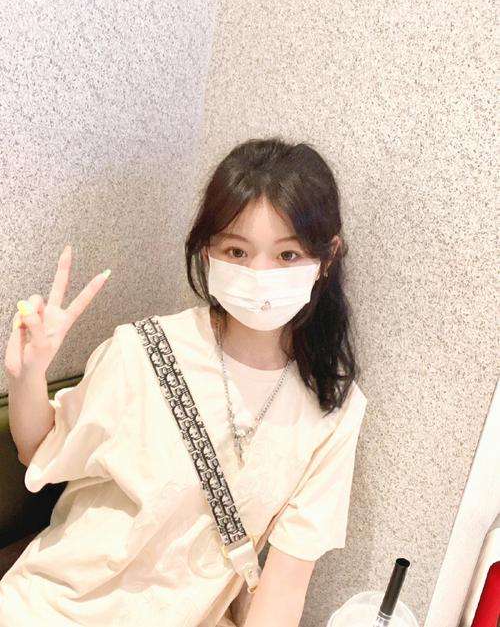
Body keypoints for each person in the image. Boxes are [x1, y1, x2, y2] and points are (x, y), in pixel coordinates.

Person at [1, 137, 368, 626]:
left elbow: (285, 587)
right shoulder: (142, 349)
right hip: (55, 606)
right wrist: (28, 377)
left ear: (327, 257)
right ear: (208, 250)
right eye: (237, 250)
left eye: (287, 255)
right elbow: (38, 451)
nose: (259, 273)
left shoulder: (333, 408)